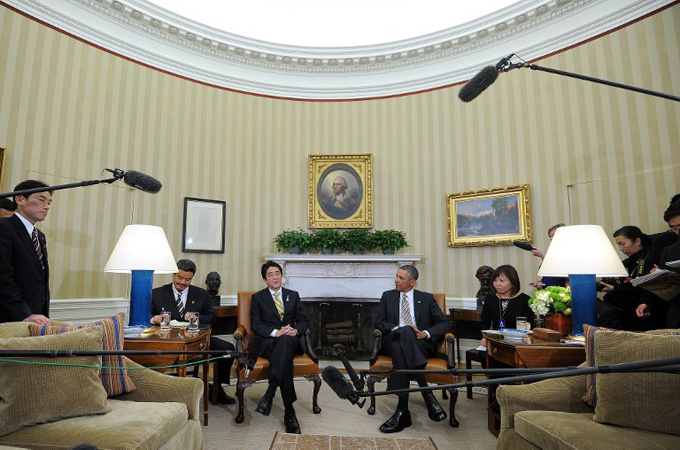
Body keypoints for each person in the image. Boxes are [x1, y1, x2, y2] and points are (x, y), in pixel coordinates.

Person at [374, 265, 450, 433]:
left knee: (399, 347)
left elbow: (445, 323)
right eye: (396, 276)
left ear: (413, 282)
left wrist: (425, 333)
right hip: (392, 339)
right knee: (405, 332)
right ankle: (427, 393)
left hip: (419, 344)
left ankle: (402, 411)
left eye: (401, 278)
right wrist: (400, 329)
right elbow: (378, 322)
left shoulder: (427, 298)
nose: (396, 280)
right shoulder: (387, 296)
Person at [150, 259, 236, 404]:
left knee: (228, 349)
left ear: (192, 278)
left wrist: (197, 318)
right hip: (168, 342)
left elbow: (212, 318)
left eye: (187, 279)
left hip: (197, 341)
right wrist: (154, 319)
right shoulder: (157, 293)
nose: (183, 282)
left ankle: (218, 388)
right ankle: (159, 389)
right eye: (180, 278)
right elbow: (146, 315)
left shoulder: (201, 294)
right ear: (173, 274)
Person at [249, 261, 307, 434]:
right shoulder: (258, 298)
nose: (275, 277)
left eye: (277, 273)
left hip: (291, 340)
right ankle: (289, 411)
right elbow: (256, 325)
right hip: (269, 342)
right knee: (283, 347)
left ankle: (270, 391)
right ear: (265, 280)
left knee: (286, 341)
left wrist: (295, 330)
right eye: (270, 275)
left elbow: (303, 320)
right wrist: (276, 332)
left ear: (282, 276)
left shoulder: (293, 295)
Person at [0, 180, 52, 325]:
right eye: (41, 200)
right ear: (20, 199)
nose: (47, 206)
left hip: (37, 317)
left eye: (49, 202)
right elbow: (3, 278)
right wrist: (24, 314)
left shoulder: (39, 236)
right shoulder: (4, 228)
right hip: (10, 319)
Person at [598, 226, 666, 331]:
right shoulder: (626, 263)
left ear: (637, 241)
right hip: (625, 307)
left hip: (644, 307)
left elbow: (644, 284)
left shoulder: (653, 257)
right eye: (619, 245)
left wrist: (615, 289)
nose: (621, 249)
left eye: (622, 244)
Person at [637, 195, 680, 328]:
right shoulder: (670, 250)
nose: (678, 231)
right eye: (674, 228)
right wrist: (646, 302)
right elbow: (659, 280)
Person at [480, 265, 534, 349]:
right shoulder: (490, 298)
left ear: (512, 282)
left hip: (518, 343)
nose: (497, 284)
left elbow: (531, 325)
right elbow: (485, 321)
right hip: (495, 341)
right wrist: (484, 337)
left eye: (502, 281)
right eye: (495, 280)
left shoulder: (525, 300)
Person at [529, 223, 567, 289]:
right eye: (550, 236)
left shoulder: (569, 253)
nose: (551, 238)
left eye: (553, 235)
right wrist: (541, 282)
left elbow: (559, 275)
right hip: (549, 291)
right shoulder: (553, 253)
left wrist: (543, 256)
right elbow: (547, 274)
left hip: (561, 292)